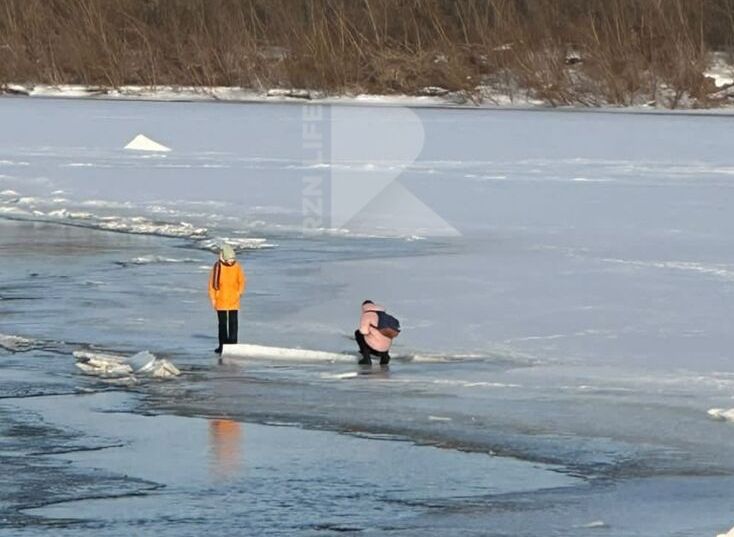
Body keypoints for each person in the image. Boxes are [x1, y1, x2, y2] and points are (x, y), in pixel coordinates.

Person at [208, 244, 246, 354]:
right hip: (221, 300)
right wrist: (213, 299)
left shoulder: (237, 267)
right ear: (224, 258)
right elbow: (212, 285)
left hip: (234, 299)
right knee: (222, 324)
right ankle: (222, 345)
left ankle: (233, 345)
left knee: (233, 323)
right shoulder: (218, 267)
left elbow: (242, 281)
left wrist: (239, 292)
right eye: (229, 259)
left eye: (233, 259)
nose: (231, 261)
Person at [355, 300, 395, 366]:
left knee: (359, 333)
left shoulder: (367, 315)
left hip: (374, 348)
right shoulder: (383, 315)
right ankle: (384, 356)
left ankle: (366, 358)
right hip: (383, 348)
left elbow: (363, 331)